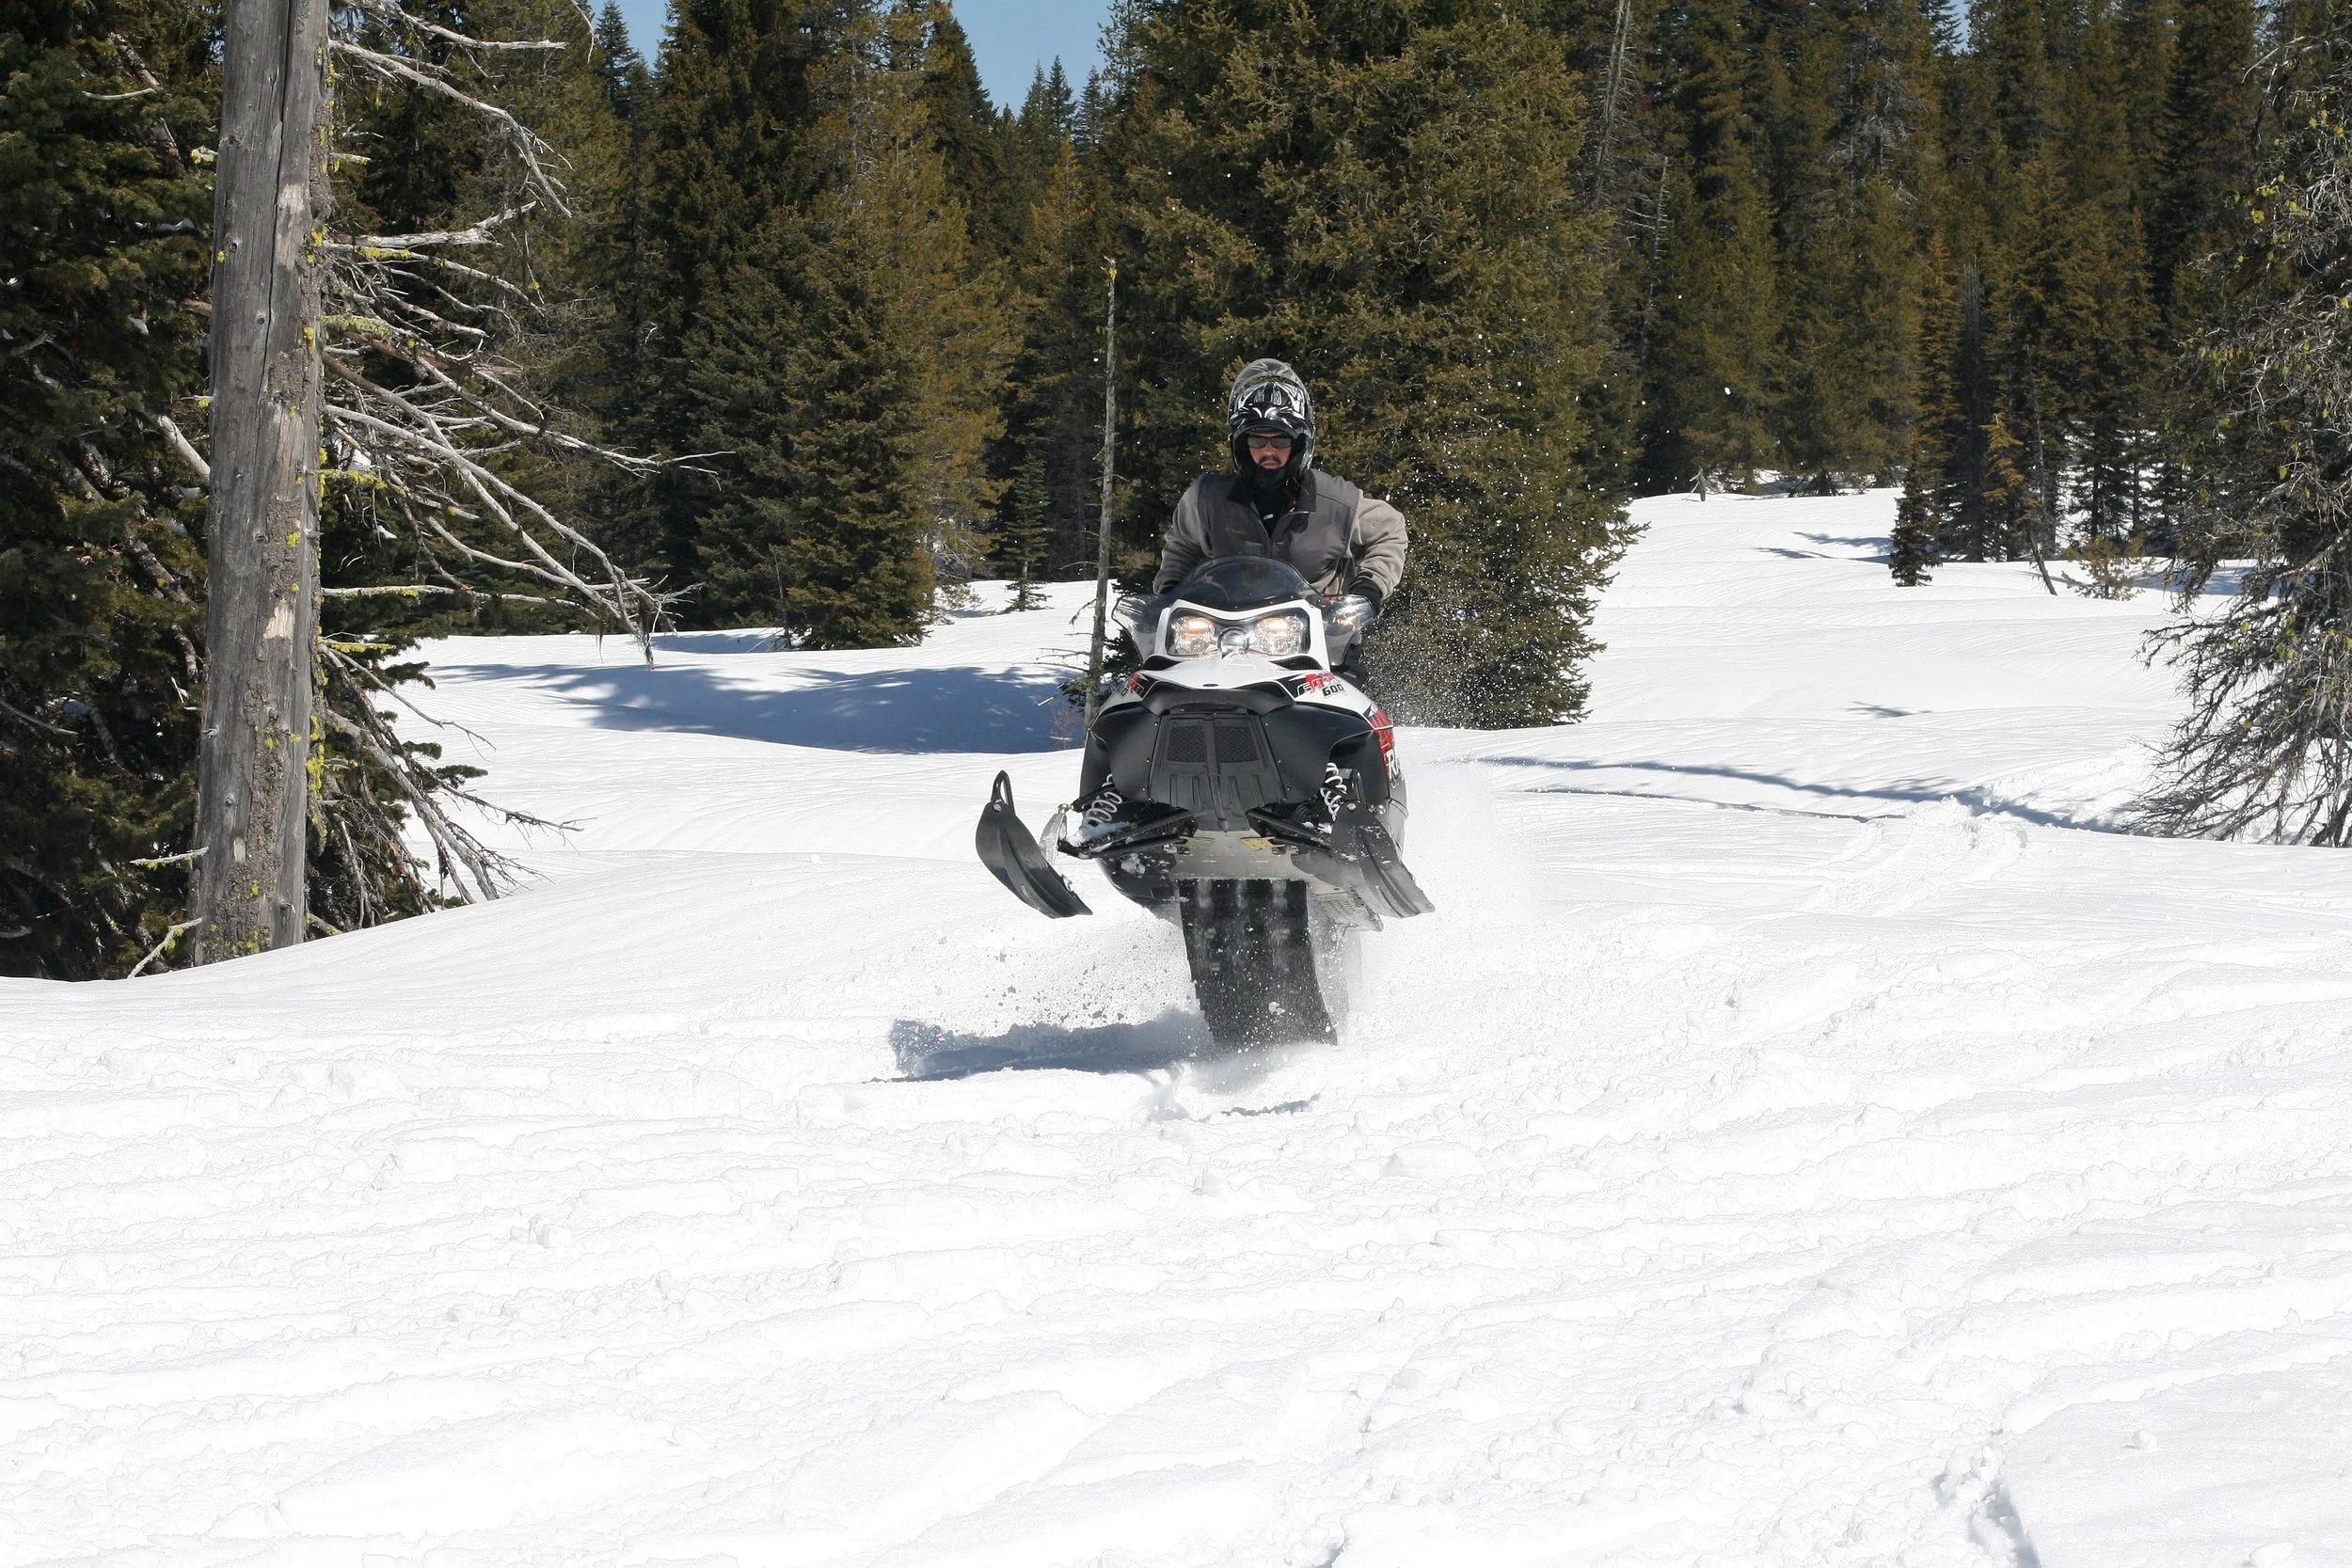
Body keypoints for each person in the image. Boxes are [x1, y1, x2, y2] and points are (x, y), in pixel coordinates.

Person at [1152, 361, 1406, 627]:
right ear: (1241, 445)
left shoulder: (1334, 501)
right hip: (1226, 633)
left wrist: (1369, 587)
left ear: (1299, 445)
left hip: (1321, 636)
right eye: (1257, 440)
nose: (1268, 451)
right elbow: (1181, 547)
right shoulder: (1208, 500)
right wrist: (1171, 593)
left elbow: (1389, 529)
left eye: (1281, 440)